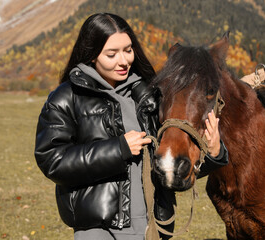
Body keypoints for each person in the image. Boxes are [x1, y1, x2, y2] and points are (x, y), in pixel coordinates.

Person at [34, 13, 228, 240]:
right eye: (111, 54)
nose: (124, 60)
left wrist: (214, 154)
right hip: (99, 231)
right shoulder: (67, 97)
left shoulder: (150, 96)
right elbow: (53, 161)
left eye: (128, 50)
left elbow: (169, 166)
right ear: (91, 55)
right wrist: (118, 149)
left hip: (153, 229)